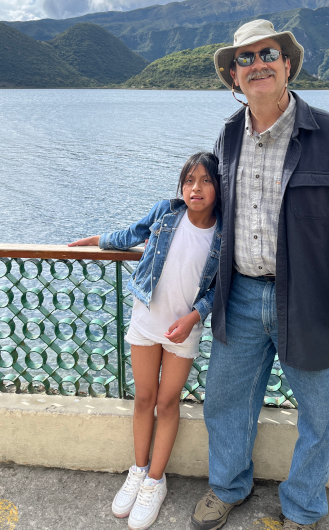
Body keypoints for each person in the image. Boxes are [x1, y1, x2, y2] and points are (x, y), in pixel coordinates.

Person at [190, 20, 329, 530]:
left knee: (319, 415)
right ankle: (228, 486)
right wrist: (152, 230)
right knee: (226, 403)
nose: (257, 64)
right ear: (234, 77)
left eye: (267, 54)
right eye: (245, 58)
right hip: (239, 294)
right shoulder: (228, 135)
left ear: (288, 65)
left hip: (314, 301)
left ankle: (302, 508)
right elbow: (211, 206)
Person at [69, 152, 222, 530]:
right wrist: (97, 240)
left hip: (183, 328)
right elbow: (132, 235)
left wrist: (195, 316)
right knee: (144, 398)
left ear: (219, 187)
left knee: (168, 402)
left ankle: (155, 480)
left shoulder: (225, 232)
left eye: (205, 181)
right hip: (147, 317)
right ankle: (138, 471)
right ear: (181, 186)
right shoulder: (166, 213)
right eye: (189, 180)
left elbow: (221, 288)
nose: (196, 188)